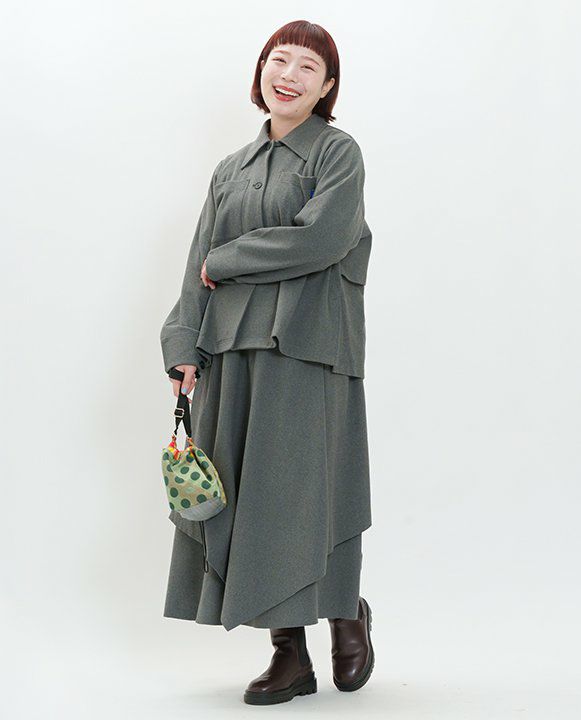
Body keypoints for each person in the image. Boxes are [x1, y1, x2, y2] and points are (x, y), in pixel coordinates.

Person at [159, 20, 375, 705]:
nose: (289, 75)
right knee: (252, 503)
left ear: (327, 86)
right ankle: (289, 653)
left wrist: (228, 261)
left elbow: (324, 238)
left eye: (308, 67)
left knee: (310, 491)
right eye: (279, 60)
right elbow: (196, 262)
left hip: (310, 348)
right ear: (260, 72)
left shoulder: (337, 153)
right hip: (231, 350)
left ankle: (344, 608)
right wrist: (183, 344)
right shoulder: (231, 169)